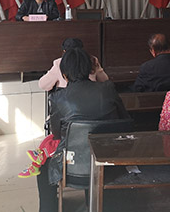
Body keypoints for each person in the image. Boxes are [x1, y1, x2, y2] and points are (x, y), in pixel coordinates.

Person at [35, 48, 129, 212]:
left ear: (64, 75)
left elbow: (57, 134)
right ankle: (93, 200)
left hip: (72, 169)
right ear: (90, 69)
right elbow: (124, 121)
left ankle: (48, 209)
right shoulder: (108, 89)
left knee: (42, 168)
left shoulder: (58, 98)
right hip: (108, 166)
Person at [18, 38, 109, 178]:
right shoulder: (93, 63)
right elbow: (105, 81)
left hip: (69, 124)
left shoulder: (60, 67)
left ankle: (40, 158)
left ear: (66, 75)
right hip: (94, 128)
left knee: (56, 137)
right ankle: (39, 157)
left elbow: (43, 85)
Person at [38, 37, 108, 91]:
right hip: (91, 95)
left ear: (64, 51)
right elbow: (104, 80)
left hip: (67, 99)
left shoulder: (59, 63)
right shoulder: (92, 60)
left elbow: (43, 85)